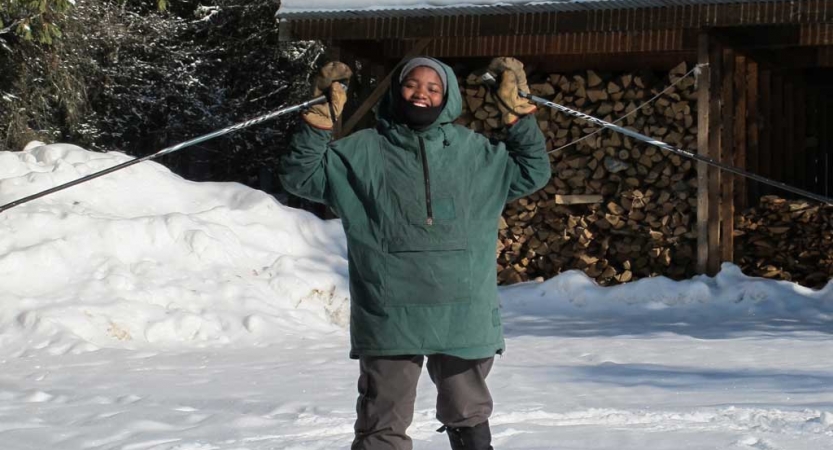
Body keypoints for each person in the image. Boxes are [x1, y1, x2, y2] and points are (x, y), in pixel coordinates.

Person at [279, 56, 550, 450]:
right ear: (396, 90)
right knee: (382, 421)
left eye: (433, 87)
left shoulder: (475, 153)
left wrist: (516, 113)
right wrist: (319, 120)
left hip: (462, 311)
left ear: (448, 97)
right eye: (412, 84)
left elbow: (532, 170)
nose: (421, 93)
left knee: (468, 412)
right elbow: (301, 176)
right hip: (389, 311)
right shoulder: (361, 151)